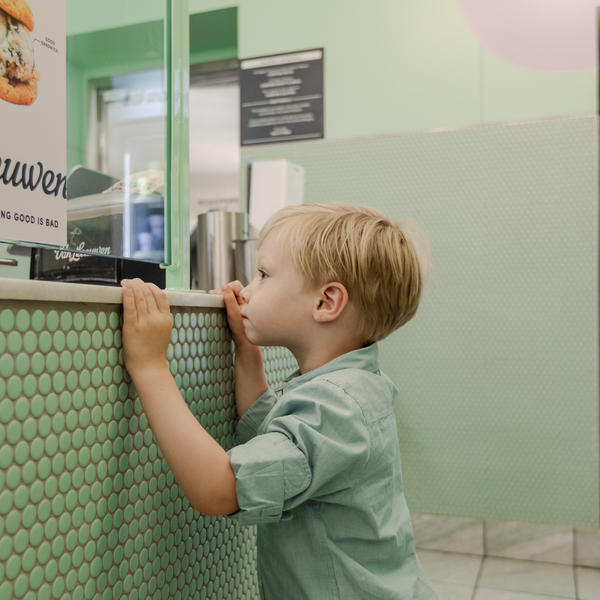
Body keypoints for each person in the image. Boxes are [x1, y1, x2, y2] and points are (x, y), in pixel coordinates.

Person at [120, 202, 436, 599]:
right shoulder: (347, 386)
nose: (248, 290)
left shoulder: (337, 407)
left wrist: (150, 367)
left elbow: (220, 491)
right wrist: (246, 351)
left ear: (326, 303)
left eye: (264, 275)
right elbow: (268, 433)